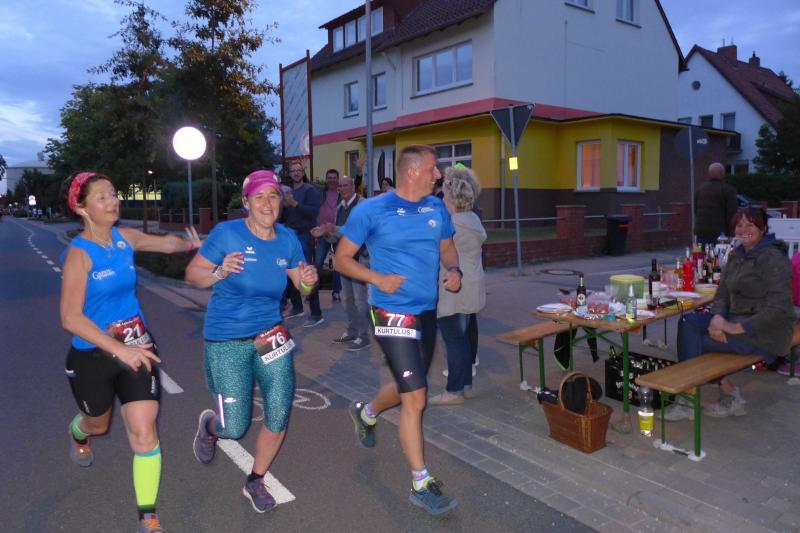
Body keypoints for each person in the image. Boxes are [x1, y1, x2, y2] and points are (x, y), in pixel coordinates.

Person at [60, 171, 202, 533]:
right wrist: (116, 350)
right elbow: (70, 317)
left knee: (144, 430)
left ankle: (147, 515)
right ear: (82, 208)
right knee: (98, 423)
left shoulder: (124, 238)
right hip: (92, 355)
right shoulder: (79, 255)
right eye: (102, 197)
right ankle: (79, 432)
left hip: (137, 345)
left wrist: (189, 245)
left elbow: (164, 245)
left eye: (113, 193)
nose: (113, 201)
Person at [335, 145, 462, 516]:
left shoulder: (436, 208)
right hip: (391, 314)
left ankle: (367, 412)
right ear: (412, 172)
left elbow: (448, 248)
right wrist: (377, 278)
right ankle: (421, 483)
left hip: (427, 312)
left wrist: (454, 271)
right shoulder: (371, 210)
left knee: (410, 387)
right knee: (417, 398)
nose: (438, 175)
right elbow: (341, 259)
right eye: (433, 168)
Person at [185, 170, 318, 513]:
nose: (267, 204)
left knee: (279, 411)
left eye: (273, 196)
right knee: (234, 427)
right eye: (259, 197)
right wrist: (219, 272)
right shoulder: (227, 234)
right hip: (227, 338)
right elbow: (193, 274)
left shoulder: (287, 239)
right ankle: (210, 427)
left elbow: (302, 285)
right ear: (246, 202)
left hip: (270, 334)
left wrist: (308, 280)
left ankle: (255, 479)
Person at [665, 207, 795, 420]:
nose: (743, 230)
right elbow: (722, 294)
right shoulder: (737, 255)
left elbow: (779, 308)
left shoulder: (773, 258)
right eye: (739, 225)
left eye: (750, 225)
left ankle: (692, 400)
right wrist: (717, 317)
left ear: (763, 228)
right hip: (734, 320)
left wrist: (734, 327)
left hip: (765, 332)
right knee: (687, 321)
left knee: (696, 343)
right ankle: (724, 394)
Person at [430, 165, 486, 405]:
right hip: (471, 284)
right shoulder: (472, 219)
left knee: (453, 340)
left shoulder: (452, 223)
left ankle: (453, 391)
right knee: (463, 339)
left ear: (451, 198)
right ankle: (466, 385)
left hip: (454, 287)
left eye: (444, 194)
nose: (441, 197)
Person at [312, 174, 370, 351]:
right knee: (347, 299)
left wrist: (333, 228)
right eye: (340, 186)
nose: (342, 189)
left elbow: (357, 230)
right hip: (343, 260)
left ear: (353, 186)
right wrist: (325, 233)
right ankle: (352, 331)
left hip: (359, 259)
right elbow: (337, 236)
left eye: (345, 185)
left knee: (360, 300)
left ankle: (363, 336)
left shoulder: (362, 204)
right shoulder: (339, 207)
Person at [282, 161, 323, 327]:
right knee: (289, 271)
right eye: (293, 171)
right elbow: (284, 217)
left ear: (303, 172)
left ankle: (316, 313)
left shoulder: (309, 190)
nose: (296, 173)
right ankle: (297, 307)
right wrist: (284, 207)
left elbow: (313, 213)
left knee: (307, 272)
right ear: (290, 173)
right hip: (289, 235)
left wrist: (295, 204)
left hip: (304, 235)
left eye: (299, 170)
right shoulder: (288, 192)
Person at [315, 169, 342, 302]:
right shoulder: (320, 192)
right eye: (329, 178)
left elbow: (355, 184)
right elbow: (308, 183)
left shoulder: (342, 193)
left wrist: (359, 172)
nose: (332, 180)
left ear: (337, 179)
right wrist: (303, 171)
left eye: (334, 178)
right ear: (326, 179)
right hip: (323, 232)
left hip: (337, 232)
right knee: (318, 262)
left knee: (338, 263)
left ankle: (336, 292)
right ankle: (312, 291)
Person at [695, 162, 738, 245]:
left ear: (709, 174)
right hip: (720, 234)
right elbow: (732, 214)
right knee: (720, 253)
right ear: (722, 174)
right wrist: (732, 233)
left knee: (701, 253)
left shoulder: (700, 189)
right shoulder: (728, 190)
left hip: (701, 232)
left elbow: (696, 210)